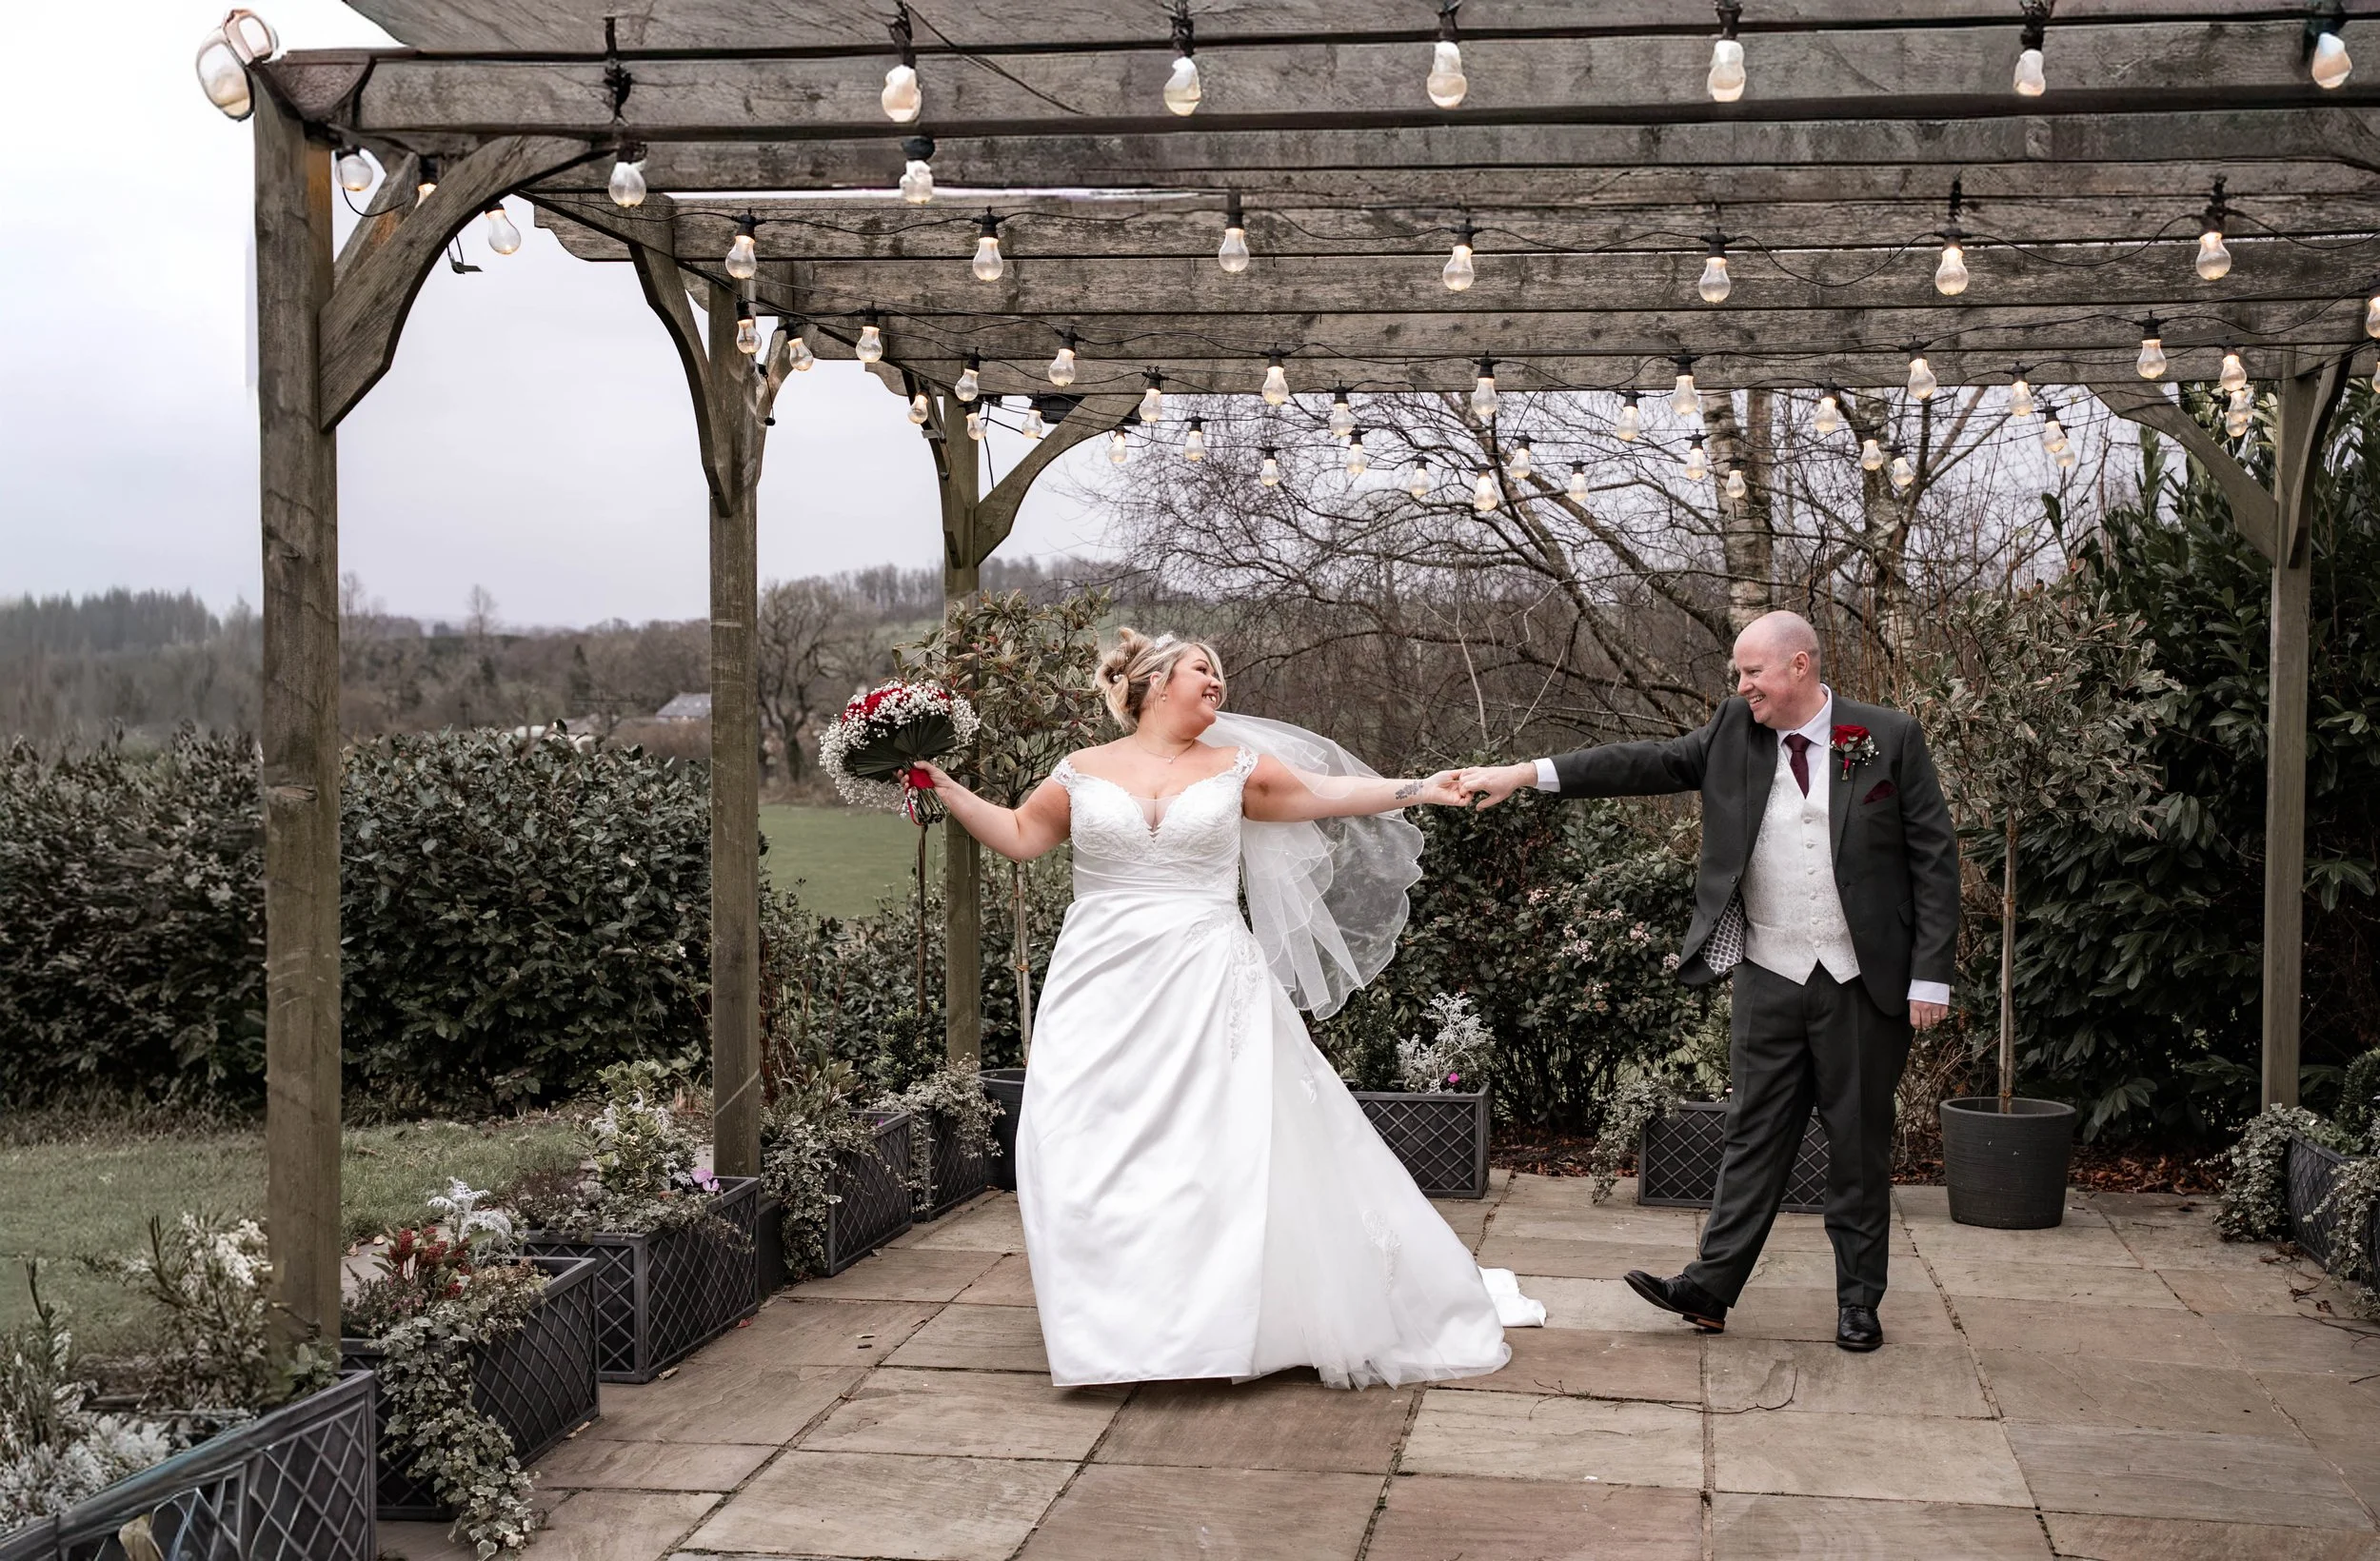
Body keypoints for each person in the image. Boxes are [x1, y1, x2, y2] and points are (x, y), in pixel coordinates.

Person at [919, 628, 1544, 1390]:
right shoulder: (1081, 770)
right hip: (1101, 980)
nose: (1217, 682)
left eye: (1220, 673)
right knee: (1084, 1136)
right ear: (1151, 683)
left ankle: (1214, 1328)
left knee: (1217, 1146)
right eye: (1202, 669)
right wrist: (947, 789)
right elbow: (1020, 837)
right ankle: (1114, 1327)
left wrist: (1420, 788)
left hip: (1208, 977)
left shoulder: (1235, 768)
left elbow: (1327, 793)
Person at [1458, 610, 1957, 1352]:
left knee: (1857, 1146)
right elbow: (1645, 763)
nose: (1741, 684)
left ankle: (1859, 1302)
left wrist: (1930, 978)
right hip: (1768, 970)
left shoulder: (1888, 736)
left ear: (1799, 666)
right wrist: (1527, 775)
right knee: (1752, 1135)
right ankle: (1711, 1288)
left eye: (1752, 671)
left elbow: (1934, 859)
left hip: (1862, 979)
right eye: (1738, 674)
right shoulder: (1733, 732)